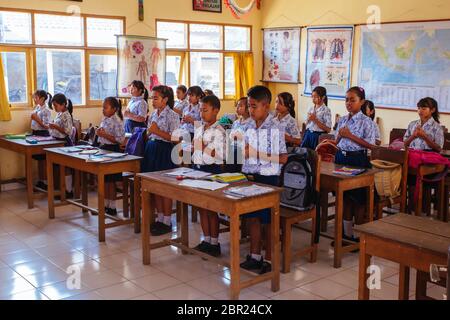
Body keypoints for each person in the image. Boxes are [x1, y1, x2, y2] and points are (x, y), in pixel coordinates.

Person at [240, 86, 288, 275]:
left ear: (266, 106)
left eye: (253, 106)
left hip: (268, 179)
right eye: (249, 107)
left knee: (268, 222)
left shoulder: (275, 127)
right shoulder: (248, 125)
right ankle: (254, 256)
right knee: (253, 218)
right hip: (250, 177)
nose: (250, 110)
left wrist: (256, 153)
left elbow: (283, 158)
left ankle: (268, 259)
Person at [142, 85, 180, 236]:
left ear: (165, 100)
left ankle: (167, 221)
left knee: (165, 188)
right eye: (152, 98)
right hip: (151, 149)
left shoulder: (173, 115)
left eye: (156, 98)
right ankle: (159, 218)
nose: (153, 100)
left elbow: (176, 138)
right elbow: (150, 133)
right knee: (155, 187)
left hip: (165, 151)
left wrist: (157, 131)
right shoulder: (153, 114)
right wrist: (149, 133)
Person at [191, 95, 226, 257]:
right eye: (200, 110)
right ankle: (206, 240)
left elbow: (219, 155)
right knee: (201, 207)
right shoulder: (199, 128)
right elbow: (195, 147)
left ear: (216, 111)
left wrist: (202, 146)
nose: (201, 113)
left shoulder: (219, 131)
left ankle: (215, 242)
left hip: (212, 171)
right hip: (197, 169)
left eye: (205, 110)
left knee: (211, 209)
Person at [96, 97, 126, 216]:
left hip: (113, 151)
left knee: (112, 181)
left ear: (114, 109)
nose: (103, 110)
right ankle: (105, 205)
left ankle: (112, 207)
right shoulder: (105, 119)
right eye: (103, 107)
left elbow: (120, 140)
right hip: (103, 149)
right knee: (105, 180)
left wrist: (104, 134)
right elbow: (103, 133)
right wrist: (99, 132)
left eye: (106, 107)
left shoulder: (117, 121)